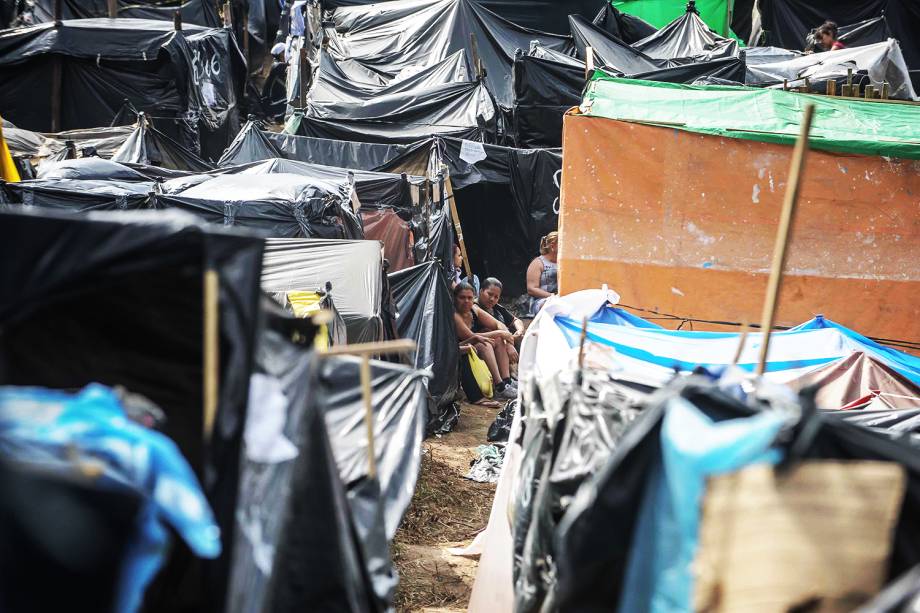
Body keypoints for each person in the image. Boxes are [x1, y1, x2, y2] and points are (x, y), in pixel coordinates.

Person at [453, 282, 518, 400]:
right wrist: (499, 333)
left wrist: (508, 343)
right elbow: (472, 336)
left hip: (474, 345)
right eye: (462, 297)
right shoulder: (455, 315)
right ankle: (500, 387)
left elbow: (498, 324)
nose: (466, 301)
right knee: (485, 344)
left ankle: (506, 381)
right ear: (455, 298)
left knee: (497, 339)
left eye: (469, 298)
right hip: (460, 348)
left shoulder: (474, 309)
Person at [477, 277, 525, 354]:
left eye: (496, 297)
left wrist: (519, 331)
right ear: (481, 291)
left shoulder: (496, 307)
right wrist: (509, 343)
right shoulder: (474, 307)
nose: (492, 299)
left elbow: (516, 320)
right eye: (489, 294)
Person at [526, 231, 558, 316]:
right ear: (553, 246)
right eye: (562, 243)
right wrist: (553, 296)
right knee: (552, 307)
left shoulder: (564, 263)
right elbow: (531, 289)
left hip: (560, 299)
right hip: (540, 301)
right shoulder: (538, 263)